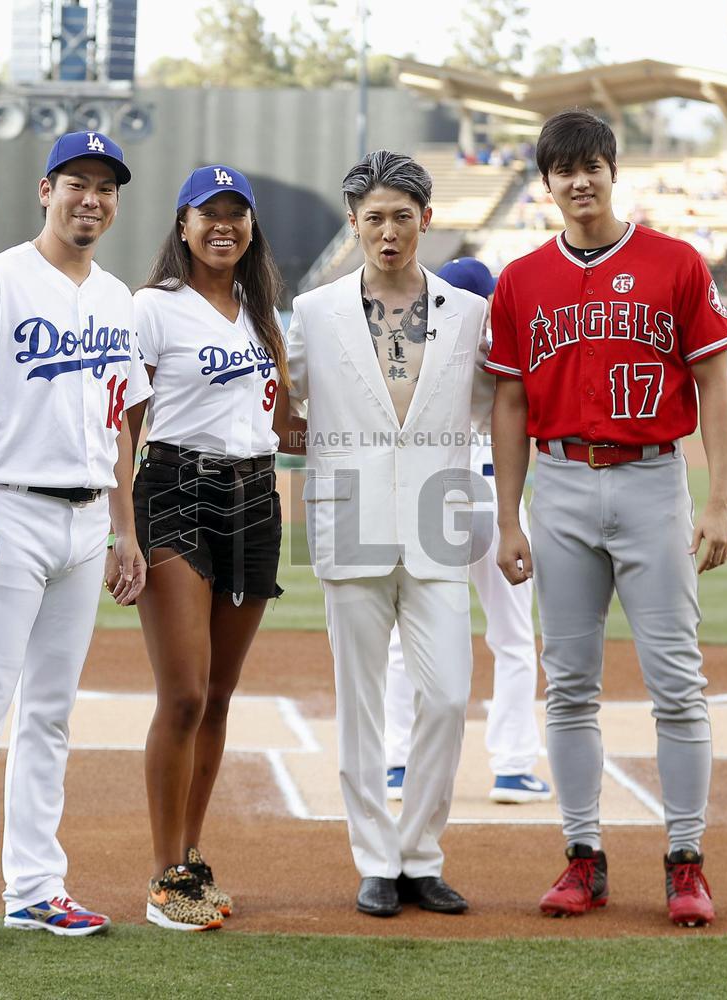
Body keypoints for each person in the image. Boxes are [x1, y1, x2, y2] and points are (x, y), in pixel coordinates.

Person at [488, 109, 727, 928]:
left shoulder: (675, 262)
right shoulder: (523, 279)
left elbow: (713, 385)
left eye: (592, 164)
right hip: (557, 485)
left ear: (612, 170)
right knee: (569, 689)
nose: (579, 180)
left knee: (677, 683)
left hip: (651, 483)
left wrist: (721, 498)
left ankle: (686, 858)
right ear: (547, 181)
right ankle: (583, 855)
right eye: (564, 169)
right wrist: (509, 518)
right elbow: (512, 400)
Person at [0, 130, 151, 949]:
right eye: (78, 183)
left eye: (107, 187)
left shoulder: (120, 298)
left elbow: (122, 421)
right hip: (7, 512)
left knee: (51, 713)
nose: (92, 199)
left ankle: (36, 888)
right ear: (45, 190)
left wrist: (125, 529)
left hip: (89, 520)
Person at [283, 151, 488, 919]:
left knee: (446, 694)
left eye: (404, 215)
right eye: (375, 217)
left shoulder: (469, 313)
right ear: (354, 224)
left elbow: (492, 404)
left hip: (440, 511)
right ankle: (376, 859)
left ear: (427, 219)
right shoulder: (314, 312)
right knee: (360, 701)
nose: (390, 230)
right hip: (348, 510)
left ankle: (421, 854)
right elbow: (285, 405)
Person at [123, 164, 295, 932]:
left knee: (221, 697)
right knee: (185, 694)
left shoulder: (263, 317)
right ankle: (164, 878)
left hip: (256, 496)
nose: (223, 225)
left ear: (250, 226)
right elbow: (121, 422)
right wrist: (119, 526)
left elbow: (284, 423)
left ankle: (191, 856)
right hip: (175, 491)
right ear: (183, 224)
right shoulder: (152, 308)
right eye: (208, 213)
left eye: (237, 213)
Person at [384, 257, 550, 807]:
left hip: (432, 502)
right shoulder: (509, 352)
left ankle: (398, 763)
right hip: (496, 500)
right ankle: (512, 767)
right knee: (513, 639)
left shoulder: (416, 353)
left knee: (406, 639)